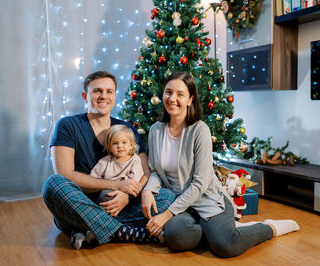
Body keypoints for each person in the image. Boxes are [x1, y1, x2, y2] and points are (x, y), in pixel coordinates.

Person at [140, 72, 299, 258]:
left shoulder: (200, 130)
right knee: (176, 237)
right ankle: (219, 231)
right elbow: (155, 171)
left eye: (180, 94)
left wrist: (167, 215)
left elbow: (200, 183)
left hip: (208, 200)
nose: (172, 99)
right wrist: (147, 191)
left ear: (190, 99)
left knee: (226, 246)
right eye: (168, 92)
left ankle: (267, 227)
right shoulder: (155, 130)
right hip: (181, 203)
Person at [42, 71, 175, 249]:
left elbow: (145, 171)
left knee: (167, 196)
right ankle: (127, 233)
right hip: (77, 206)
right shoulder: (68, 126)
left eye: (109, 91)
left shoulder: (126, 128)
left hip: (118, 206)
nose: (104, 96)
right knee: (54, 184)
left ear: (114, 96)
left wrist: (127, 196)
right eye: (97, 91)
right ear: (85, 96)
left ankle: (91, 231)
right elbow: (65, 175)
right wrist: (117, 186)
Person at [91, 124, 144, 203]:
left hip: (127, 190)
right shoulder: (105, 161)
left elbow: (135, 179)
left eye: (124, 142)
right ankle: (107, 210)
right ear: (109, 147)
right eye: (115, 143)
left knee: (135, 194)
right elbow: (93, 177)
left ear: (131, 145)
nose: (119, 146)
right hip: (109, 189)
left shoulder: (135, 160)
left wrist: (123, 190)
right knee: (105, 196)